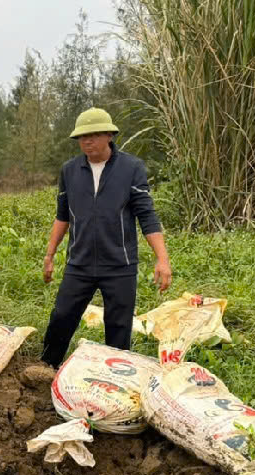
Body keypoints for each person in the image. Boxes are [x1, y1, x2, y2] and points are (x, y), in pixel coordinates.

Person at [40, 107, 172, 368]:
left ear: (110, 135)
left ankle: (115, 378)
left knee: (118, 327)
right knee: (62, 317)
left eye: (94, 135)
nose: (87, 141)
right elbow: (62, 216)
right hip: (80, 263)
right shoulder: (70, 170)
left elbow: (147, 215)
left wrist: (162, 259)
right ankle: (46, 368)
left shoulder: (131, 168)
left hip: (119, 265)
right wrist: (49, 254)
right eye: (82, 137)